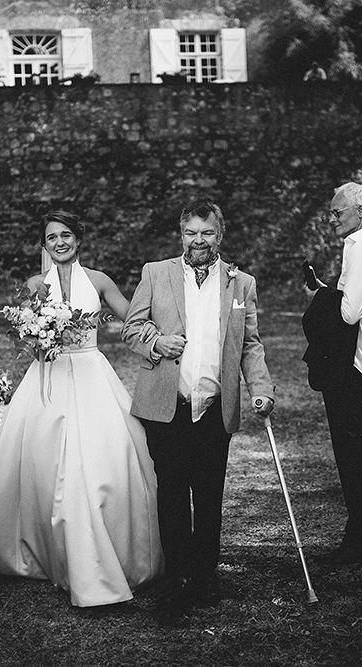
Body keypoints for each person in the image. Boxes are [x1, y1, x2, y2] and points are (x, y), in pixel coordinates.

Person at [0, 210, 163, 607]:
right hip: (47, 379)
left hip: (90, 374)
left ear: (78, 240)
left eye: (66, 235)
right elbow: (24, 336)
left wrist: (164, 331)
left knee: (101, 462)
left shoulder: (99, 281)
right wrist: (36, 336)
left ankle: (107, 556)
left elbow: (134, 316)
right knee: (43, 465)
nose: (60, 242)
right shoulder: (35, 284)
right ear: (44, 245)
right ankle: (49, 552)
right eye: (52, 237)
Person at [122, 198, 275, 618]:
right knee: (171, 493)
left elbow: (250, 344)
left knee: (208, 496)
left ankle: (206, 577)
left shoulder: (240, 283)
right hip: (167, 407)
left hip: (213, 408)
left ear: (219, 236)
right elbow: (131, 328)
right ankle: (177, 578)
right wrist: (156, 342)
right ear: (181, 235)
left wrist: (260, 388)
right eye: (191, 232)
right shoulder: (156, 274)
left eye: (206, 233)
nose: (198, 241)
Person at [302, 182, 362, 565]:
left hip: (350, 365)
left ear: (360, 210)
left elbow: (348, 313)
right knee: (358, 452)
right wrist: (329, 290)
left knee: (353, 455)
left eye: (337, 212)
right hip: (361, 359)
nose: (332, 218)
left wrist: (318, 297)